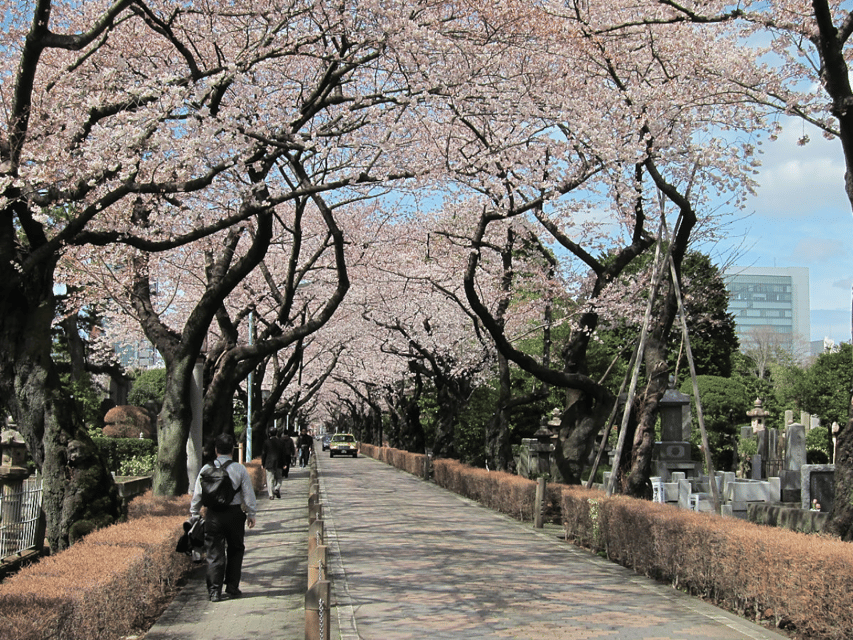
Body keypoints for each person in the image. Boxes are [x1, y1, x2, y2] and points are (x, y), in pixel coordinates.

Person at [190, 433, 257, 602]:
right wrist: (251, 513)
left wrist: (194, 512)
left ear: (215, 449)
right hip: (234, 514)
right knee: (235, 550)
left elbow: (198, 493)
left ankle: (214, 591)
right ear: (232, 450)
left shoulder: (206, 469)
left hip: (213, 515)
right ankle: (232, 587)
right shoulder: (239, 469)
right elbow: (248, 494)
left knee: (214, 553)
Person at [261, 428, 285, 500]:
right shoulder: (281, 442)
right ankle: (276, 488)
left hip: (269, 463)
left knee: (269, 479)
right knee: (279, 478)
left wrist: (263, 463)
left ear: (269, 434)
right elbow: (283, 454)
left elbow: (263, 453)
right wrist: (284, 463)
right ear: (277, 433)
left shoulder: (266, 442)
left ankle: (271, 495)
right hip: (279, 463)